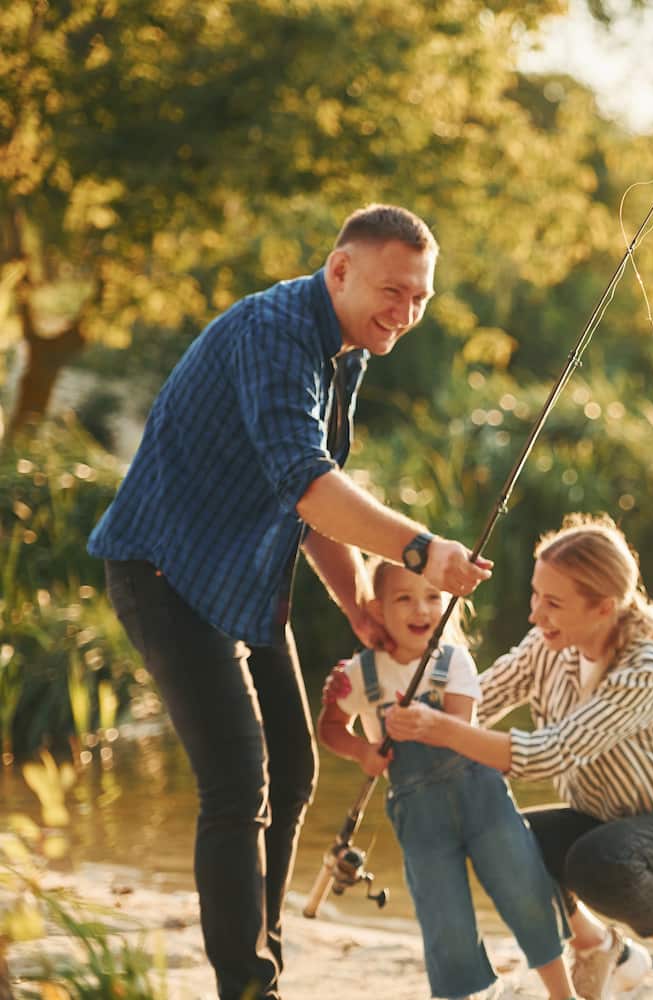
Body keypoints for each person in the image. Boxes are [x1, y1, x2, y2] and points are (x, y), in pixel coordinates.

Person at [87, 204, 492, 1000]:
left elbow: (311, 504)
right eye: (392, 291)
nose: (405, 313)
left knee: (297, 768)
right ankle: (248, 986)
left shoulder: (344, 350)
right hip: (166, 573)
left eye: (419, 299)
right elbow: (307, 480)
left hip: (243, 576)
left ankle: (261, 962)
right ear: (339, 270)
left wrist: (355, 603)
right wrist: (421, 552)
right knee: (238, 785)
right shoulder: (275, 331)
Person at [384, 514, 653, 1000]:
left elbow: (548, 753)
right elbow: (476, 700)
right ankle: (602, 949)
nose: (536, 614)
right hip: (605, 819)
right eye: (536, 595)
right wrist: (407, 715)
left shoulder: (646, 668)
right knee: (501, 839)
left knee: (600, 858)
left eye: (552, 603)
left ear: (603, 609)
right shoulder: (548, 645)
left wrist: (442, 730)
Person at [318, 559, 573, 1000]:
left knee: (523, 888)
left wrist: (420, 722)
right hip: (419, 814)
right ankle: (468, 992)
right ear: (377, 610)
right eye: (405, 599)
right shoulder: (360, 673)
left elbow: (460, 726)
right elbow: (330, 727)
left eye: (433, 597)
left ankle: (561, 992)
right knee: (443, 918)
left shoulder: (454, 660)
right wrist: (362, 751)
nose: (422, 609)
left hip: (481, 797)